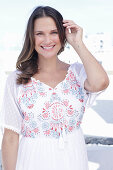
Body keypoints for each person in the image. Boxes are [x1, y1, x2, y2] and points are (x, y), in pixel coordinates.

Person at [1, 6, 109, 170]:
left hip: (73, 158)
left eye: (53, 32)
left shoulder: (78, 73)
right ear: (31, 37)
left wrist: (78, 43)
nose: (47, 40)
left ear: (62, 35)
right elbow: (10, 136)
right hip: (32, 160)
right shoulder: (17, 80)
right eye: (39, 34)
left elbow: (101, 82)